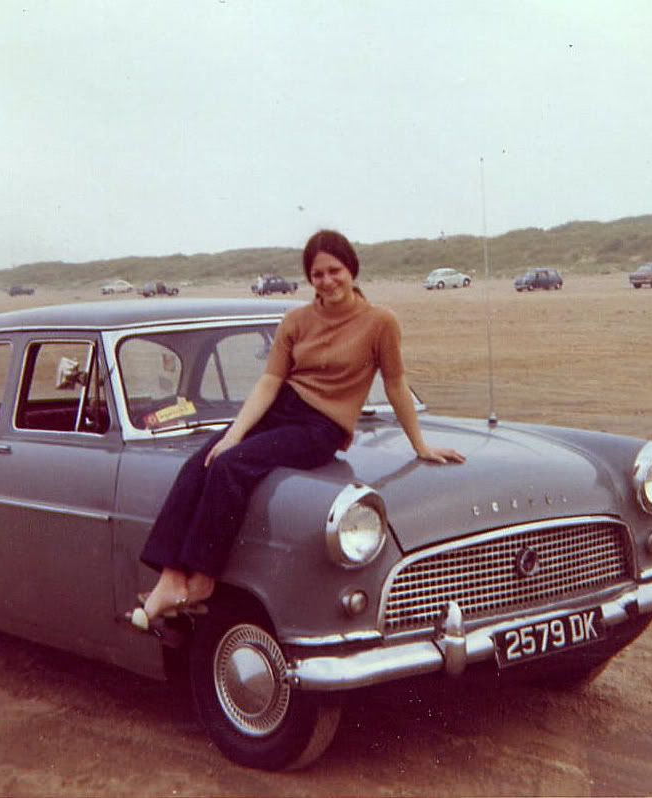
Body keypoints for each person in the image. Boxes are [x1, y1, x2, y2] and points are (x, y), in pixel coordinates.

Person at [129, 229, 466, 631]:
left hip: (321, 426)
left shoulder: (380, 323)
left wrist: (420, 444)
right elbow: (270, 381)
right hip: (281, 408)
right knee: (202, 461)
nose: (327, 281)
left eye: (334, 271)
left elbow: (395, 384)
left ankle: (202, 580)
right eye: (317, 274)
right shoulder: (296, 320)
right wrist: (233, 434)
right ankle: (170, 578)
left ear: (351, 269)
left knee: (230, 467)